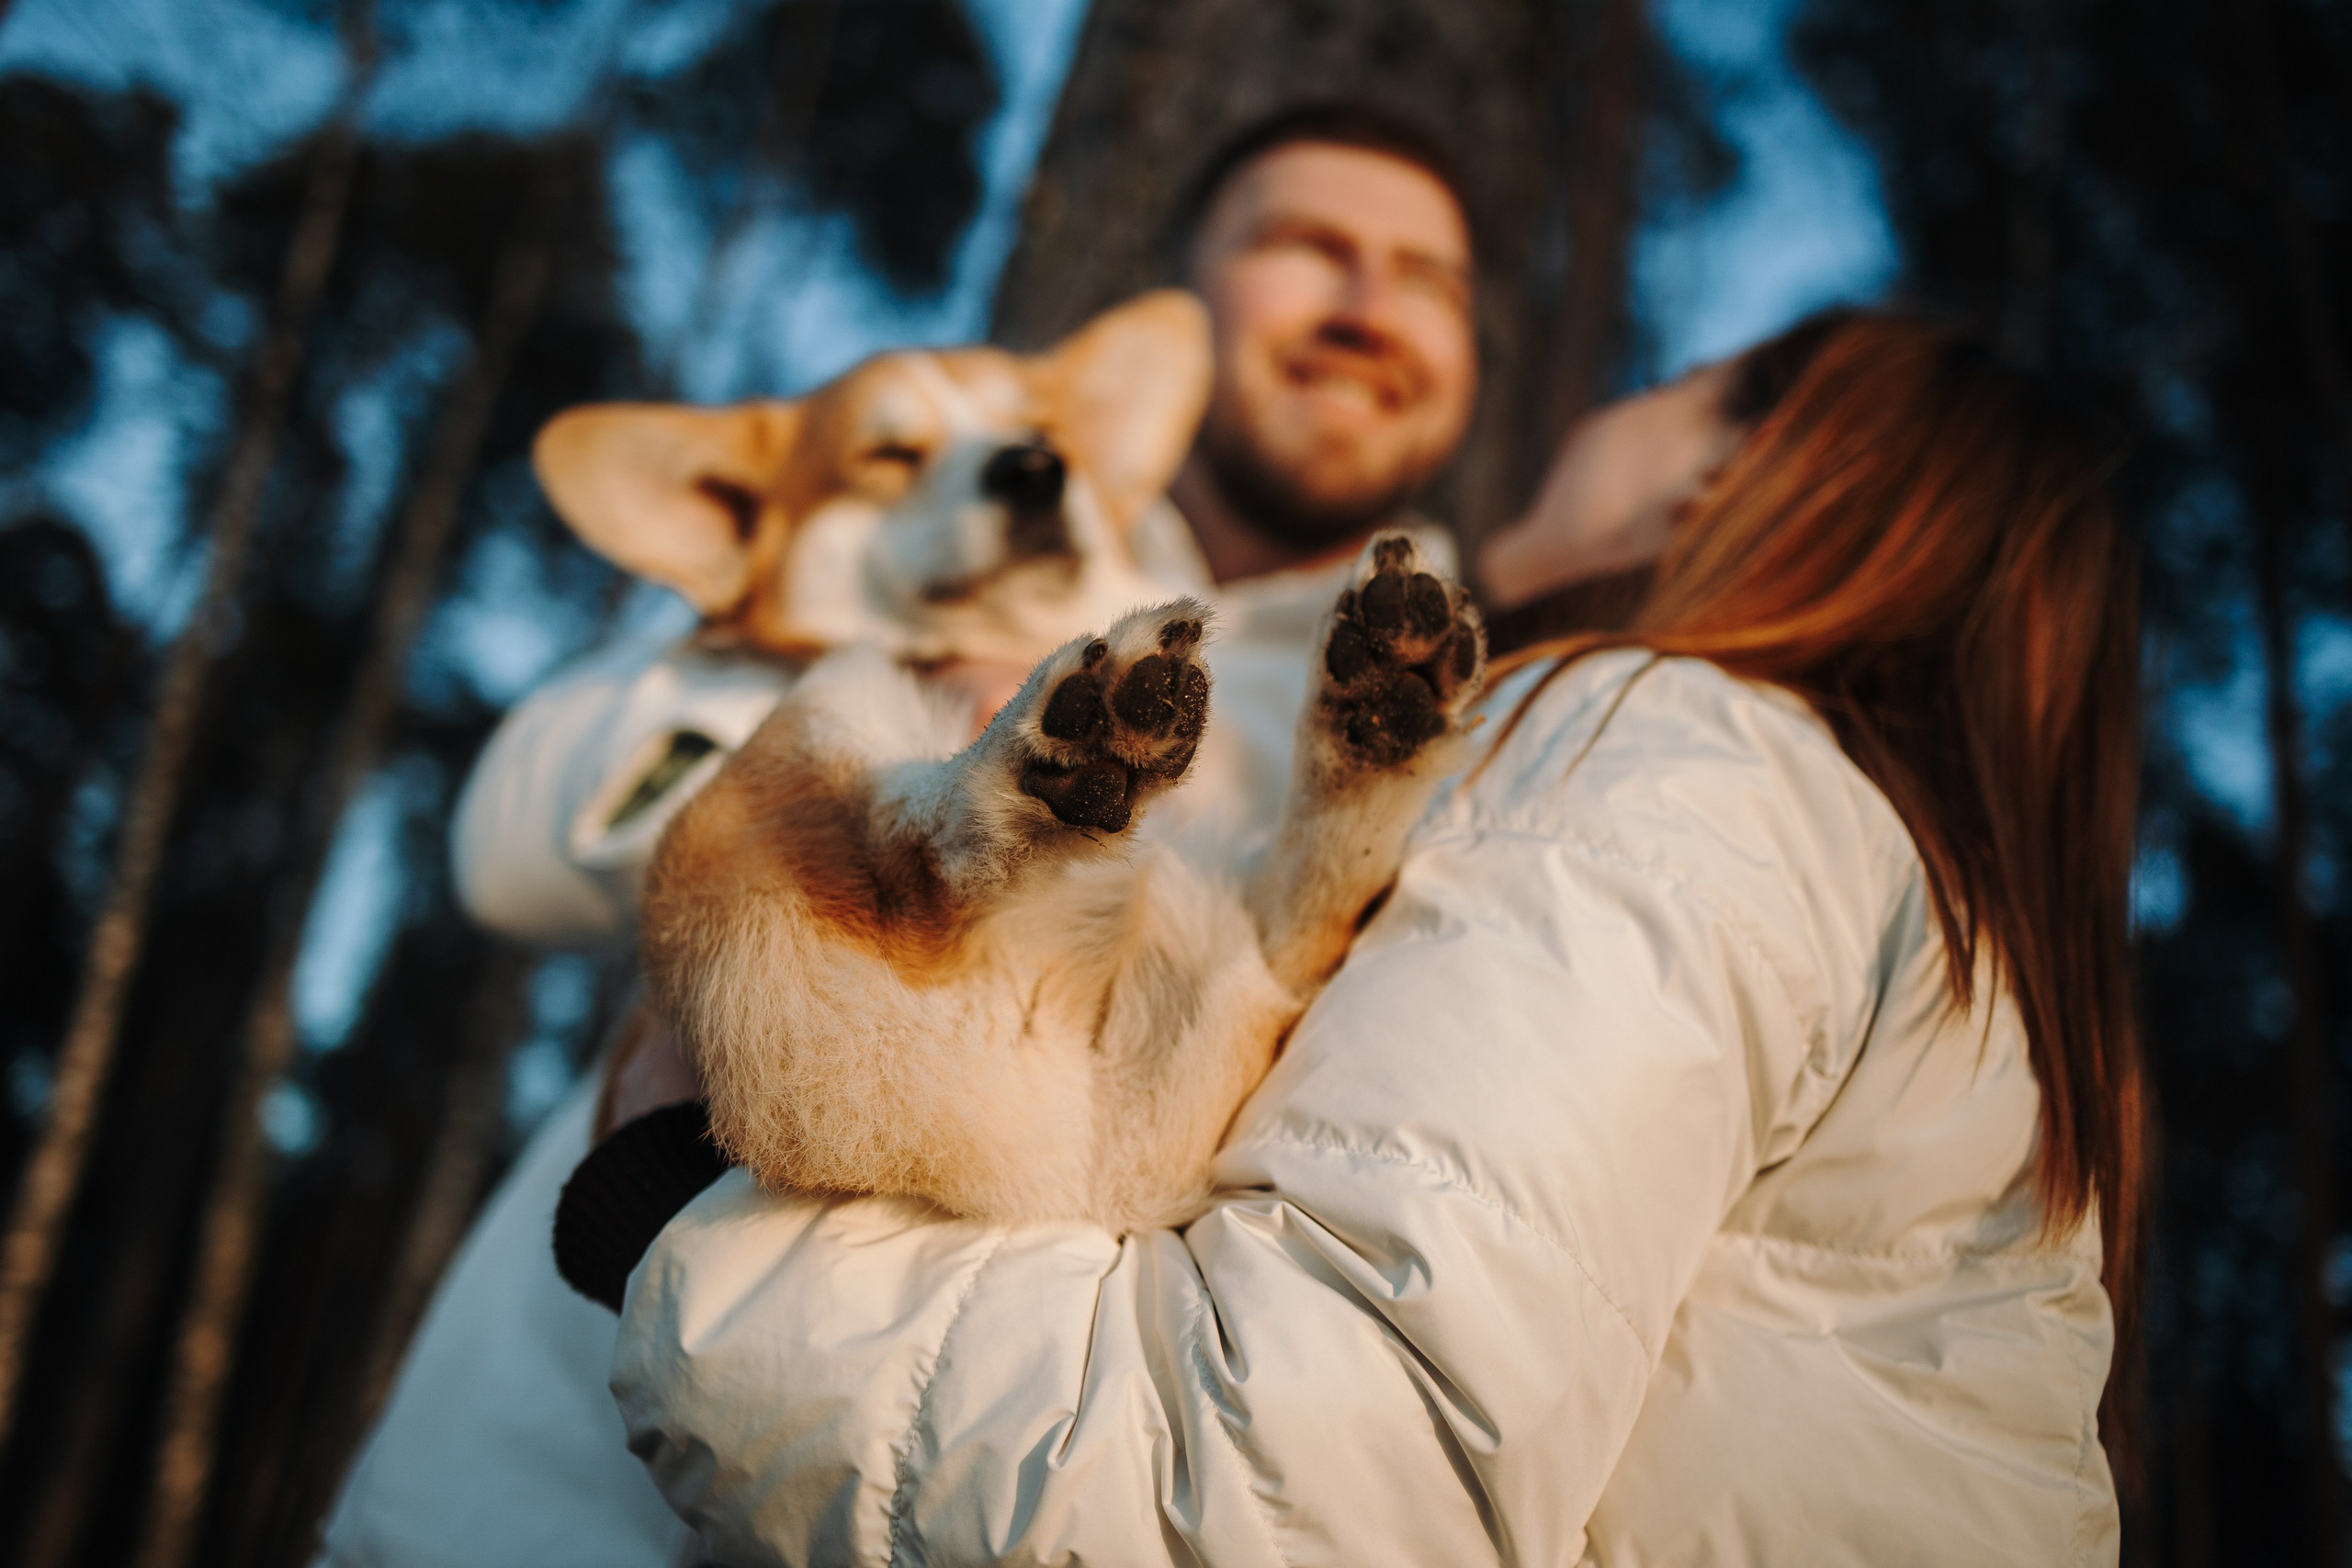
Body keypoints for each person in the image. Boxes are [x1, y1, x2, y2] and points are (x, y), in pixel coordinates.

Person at [605, 310, 2145, 1565]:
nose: (1584, 422)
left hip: (953, 1142)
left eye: (1657, 382)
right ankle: (1212, 864)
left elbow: (1301, 1488)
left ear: (1726, 475)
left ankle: (981, 843)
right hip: (1089, 1097)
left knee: (808, 805)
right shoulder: (1952, 957)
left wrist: (672, 1211)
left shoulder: (1684, 755)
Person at [317, 101, 1483, 1568]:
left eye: (1427, 276)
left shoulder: (1483, 679)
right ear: (1203, 290)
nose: (1369, 305)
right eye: (1308, 248)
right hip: (528, 1503)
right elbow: (513, 837)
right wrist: (846, 727)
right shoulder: (802, 643)